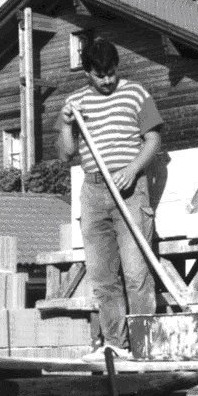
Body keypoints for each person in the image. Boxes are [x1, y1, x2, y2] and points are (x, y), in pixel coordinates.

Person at [58, 37, 163, 361]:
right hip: (93, 191)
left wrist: (133, 169)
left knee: (135, 273)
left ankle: (144, 346)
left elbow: (154, 139)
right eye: (100, 75)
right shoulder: (76, 102)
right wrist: (65, 123)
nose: (107, 80)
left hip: (130, 189)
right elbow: (66, 153)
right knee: (102, 276)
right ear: (87, 72)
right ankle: (115, 345)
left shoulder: (136, 93)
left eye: (111, 73)